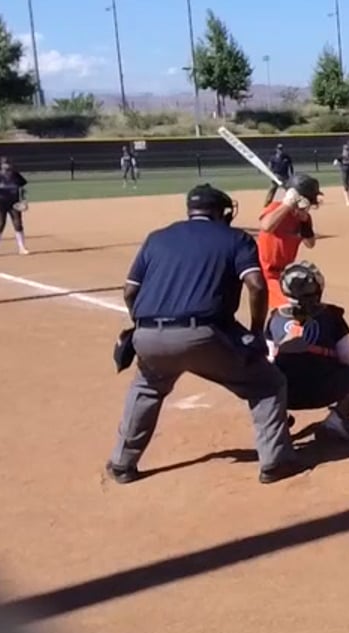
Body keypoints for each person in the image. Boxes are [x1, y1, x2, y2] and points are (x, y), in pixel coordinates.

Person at [106, 184, 301, 485]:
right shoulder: (235, 238)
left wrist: (140, 325)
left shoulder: (157, 238)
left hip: (149, 336)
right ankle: (275, 461)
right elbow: (256, 285)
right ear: (221, 212)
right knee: (266, 383)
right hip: (206, 335)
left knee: (146, 388)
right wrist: (255, 332)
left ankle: (122, 464)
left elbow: (130, 291)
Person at [267, 261, 349, 441]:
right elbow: (346, 358)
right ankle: (336, 420)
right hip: (325, 390)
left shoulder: (274, 318)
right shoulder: (331, 315)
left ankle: (277, 421)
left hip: (286, 395)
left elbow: (269, 361)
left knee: (260, 378)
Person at [257, 175, 321, 302]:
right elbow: (266, 226)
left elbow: (310, 243)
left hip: (285, 273)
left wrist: (304, 222)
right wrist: (287, 205)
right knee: (288, 304)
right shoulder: (276, 208)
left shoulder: (304, 218)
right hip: (266, 272)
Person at [0, 157, 29, 256]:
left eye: (8, 163)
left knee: (18, 224)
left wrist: (24, 200)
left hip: (14, 203)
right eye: (5, 163)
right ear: (1, 165)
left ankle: (22, 247)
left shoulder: (15, 175)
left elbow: (23, 187)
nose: (7, 165)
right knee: (0, 224)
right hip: (0, 203)